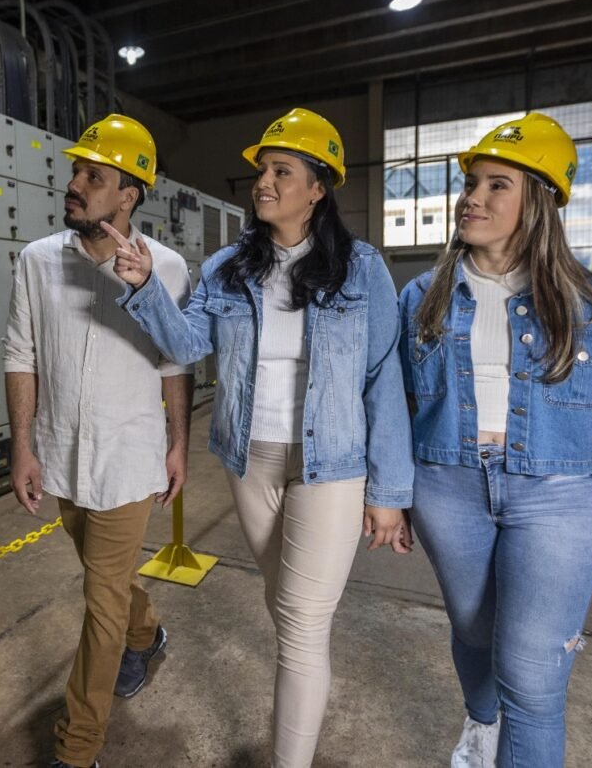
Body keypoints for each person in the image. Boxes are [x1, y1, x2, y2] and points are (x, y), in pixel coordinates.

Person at [102, 108, 414, 768]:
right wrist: (146, 288)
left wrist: (390, 490)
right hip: (249, 460)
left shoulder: (362, 270)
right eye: (262, 171)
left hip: (330, 464)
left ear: (318, 187)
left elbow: (383, 376)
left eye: (282, 171)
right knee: (285, 607)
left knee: (300, 624)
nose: (263, 183)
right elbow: (188, 344)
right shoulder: (227, 267)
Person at [398, 113, 592, 768]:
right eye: (471, 183)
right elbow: (401, 407)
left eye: (497, 185)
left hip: (556, 496)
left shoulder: (585, 300)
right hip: (446, 488)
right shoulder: (422, 296)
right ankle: (481, 723)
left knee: (532, 676)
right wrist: (389, 494)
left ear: (541, 203)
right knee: (474, 634)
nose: (472, 198)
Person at [2, 114, 194, 768]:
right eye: (77, 172)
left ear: (129, 195)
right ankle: (148, 633)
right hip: (63, 456)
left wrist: (178, 444)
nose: (75, 185)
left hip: (129, 459)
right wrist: (22, 446)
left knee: (100, 601)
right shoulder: (37, 260)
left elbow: (175, 362)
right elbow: (20, 354)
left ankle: (77, 748)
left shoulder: (166, 267)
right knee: (106, 580)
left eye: (94, 177)